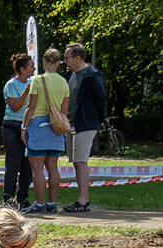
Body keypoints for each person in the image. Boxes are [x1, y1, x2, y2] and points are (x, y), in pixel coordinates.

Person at [20, 49, 69, 214]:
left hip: (38, 126)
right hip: (56, 128)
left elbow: (31, 107)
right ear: (58, 63)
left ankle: (40, 204)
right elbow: (64, 111)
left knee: (37, 168)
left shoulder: (37, 80)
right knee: (53, 167)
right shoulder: (64, 83)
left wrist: (24, 127)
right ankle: (52, 203)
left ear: (44, 62)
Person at [62, 44, 107, 213]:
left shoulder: (92, 75)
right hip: (70, 123)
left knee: (81, 161)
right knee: (76, 161)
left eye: (67, 58)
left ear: (78, 58)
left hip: (85, 123)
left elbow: (101, 98)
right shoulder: (70, 75)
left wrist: (101, 119)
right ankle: (81, 199)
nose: (64, 61)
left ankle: (83, 201)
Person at [1, 54, 35, 209]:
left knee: (27, 164)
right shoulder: (11, 85)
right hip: (11, 126)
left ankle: (23, 198)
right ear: (22, 69)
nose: (34, 69)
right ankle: (8, 197)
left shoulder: (32, 83)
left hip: (27, 125)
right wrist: (26, 92)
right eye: (31, 66)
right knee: (13, 162)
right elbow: (15, 107)